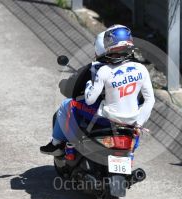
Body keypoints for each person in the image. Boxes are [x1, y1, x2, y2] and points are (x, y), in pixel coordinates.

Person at [40, 25, 155, 156]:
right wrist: (138, 123)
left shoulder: (99, 70)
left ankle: (56, 144)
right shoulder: (140, 68)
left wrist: (87, 84)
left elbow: (86, 98)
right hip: (132, 120)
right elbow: (148, 99)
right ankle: (130, 153)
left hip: (105, 118)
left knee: (67, 105)